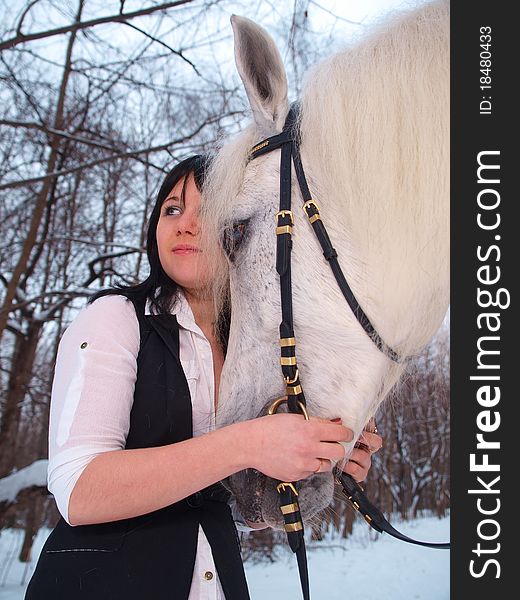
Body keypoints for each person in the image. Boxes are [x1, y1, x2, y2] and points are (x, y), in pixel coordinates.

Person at [25, 155, 382, 600]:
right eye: (171, 209)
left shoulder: (250, 355)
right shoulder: (116, 317)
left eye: (207, 211)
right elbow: (80, 492)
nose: (184, 225)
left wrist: (310, 463)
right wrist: (250, 443)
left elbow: (232, 510)